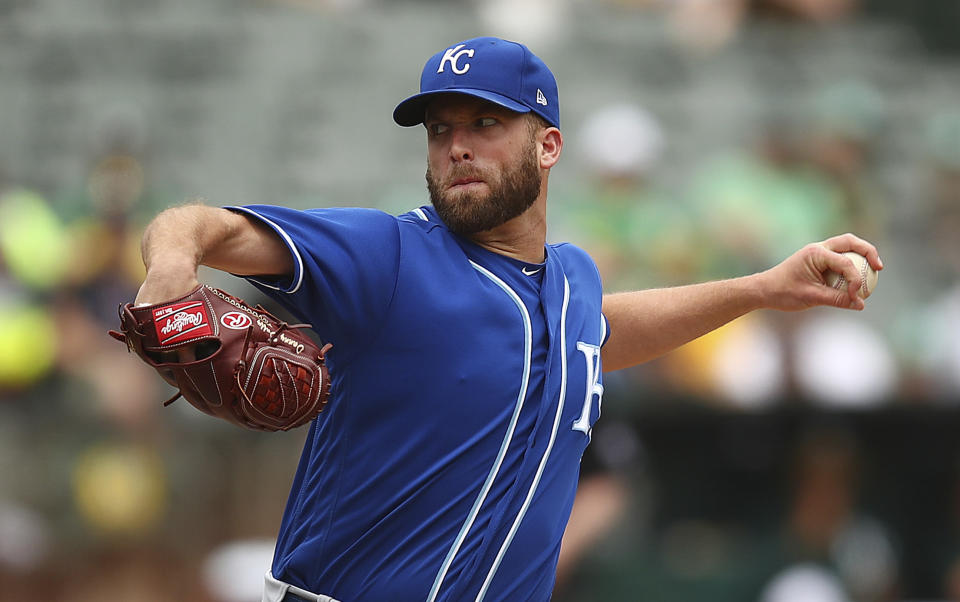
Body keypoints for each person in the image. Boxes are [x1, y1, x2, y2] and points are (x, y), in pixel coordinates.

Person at [132, 37, 882, 602]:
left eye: (485, 122)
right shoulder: (387, 255)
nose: (456, 146)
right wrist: (169, 276)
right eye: (439, 128)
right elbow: (199, 225)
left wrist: (761, 287)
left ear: (548, 144)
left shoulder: (573, 284)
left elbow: (597, 335)